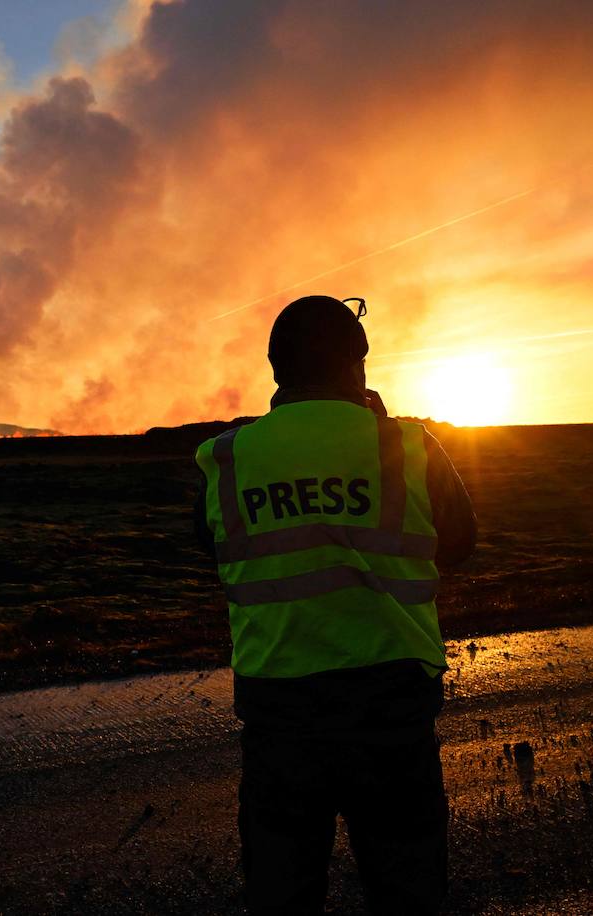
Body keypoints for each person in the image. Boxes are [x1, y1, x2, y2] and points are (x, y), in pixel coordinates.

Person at [193, 295, 477, 915]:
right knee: (408, 891)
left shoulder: (228, 456)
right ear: (358, 365)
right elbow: (459, 543)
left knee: (282, 893)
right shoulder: (408, 446)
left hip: (280, 709)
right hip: (391, 705)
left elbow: (216, 547)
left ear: (277, 371)